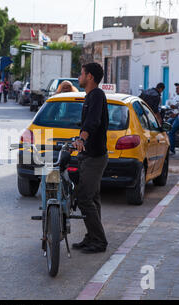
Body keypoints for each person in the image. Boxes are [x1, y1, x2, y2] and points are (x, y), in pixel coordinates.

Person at [71, 63, 109, 254]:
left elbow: (93, 121)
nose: (79, 76)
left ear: (90, 77)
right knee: (93, 198)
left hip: (95, 156)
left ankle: (99, 241)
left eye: (81, 73)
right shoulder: (91, 96)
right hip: (89, 155)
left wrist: (81, 138)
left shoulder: (97, 96)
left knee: (84, 197)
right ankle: (92, 236)